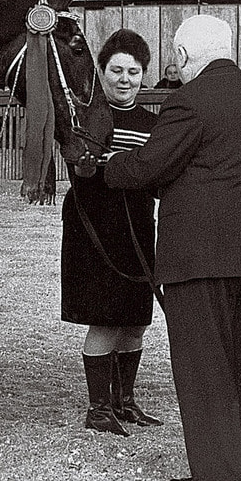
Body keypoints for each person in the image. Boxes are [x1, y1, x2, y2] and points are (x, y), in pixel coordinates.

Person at [105, 14, 241, 481]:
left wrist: (107, 165)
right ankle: (224, 470)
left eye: (174, 59)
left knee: (204, 371)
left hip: (199, 258)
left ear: (183, 56)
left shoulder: (189, 99)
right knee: (237, 372)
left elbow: (150, 166)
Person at [63, 29, 161, 438]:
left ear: (144, 76)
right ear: (101, 72)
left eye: (133, 72)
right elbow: (82, 173)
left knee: (135, 321)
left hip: (137, 229)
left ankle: (124, 400)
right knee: (104, 319)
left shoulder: (155, 124)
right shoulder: (85, 120)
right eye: (116, 70)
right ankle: (98, 408)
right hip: (94, 229)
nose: (125, 79)